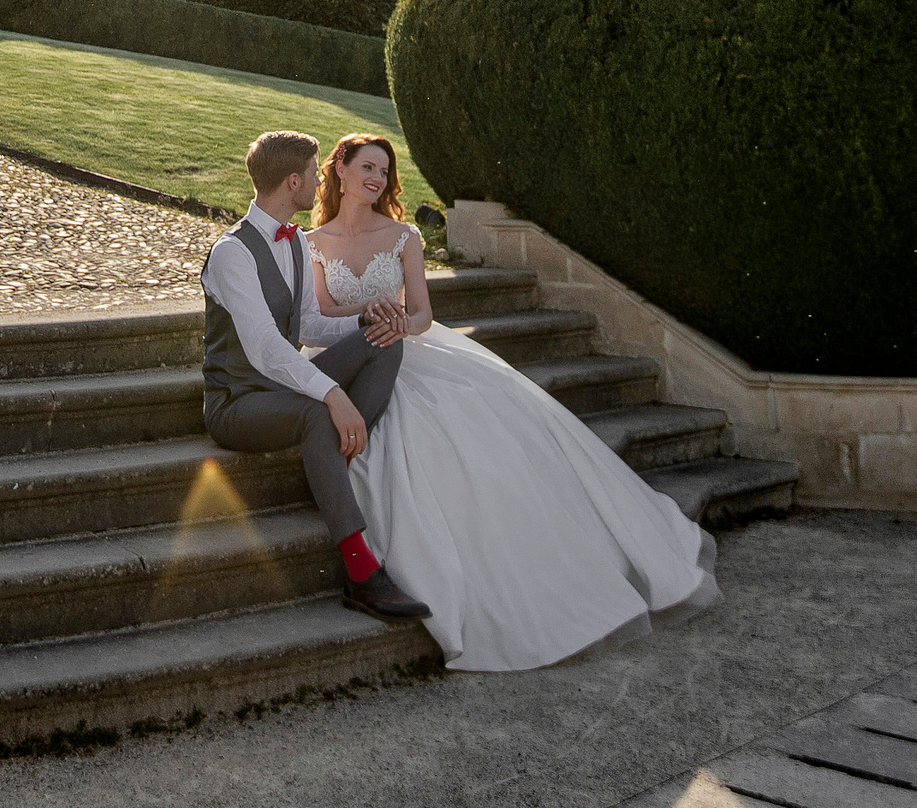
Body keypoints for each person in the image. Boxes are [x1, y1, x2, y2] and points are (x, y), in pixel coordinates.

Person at [309, 132, 721, 671]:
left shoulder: (404, 236)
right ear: (339, 168)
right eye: (367, 166)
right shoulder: (312, 242)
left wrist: (398, 324)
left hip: (411, 348)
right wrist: (367, 311)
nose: (377, 179)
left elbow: (424, 315)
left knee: (471, 416)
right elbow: (319, 310)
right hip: (347, 351)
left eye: (384, 172)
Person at [200, 131, 432, 622]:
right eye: (312, 173)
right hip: (237, 401)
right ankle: (361, 572)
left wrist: (366, 316)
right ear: (292, 182)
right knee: (316, 416)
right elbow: (264, 349)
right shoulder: (232, 253)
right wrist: (332, 395)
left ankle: (332, 466)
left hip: (281, 384)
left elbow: (308, 325)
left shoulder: (297, 244)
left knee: (385, 341)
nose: (319, 179)